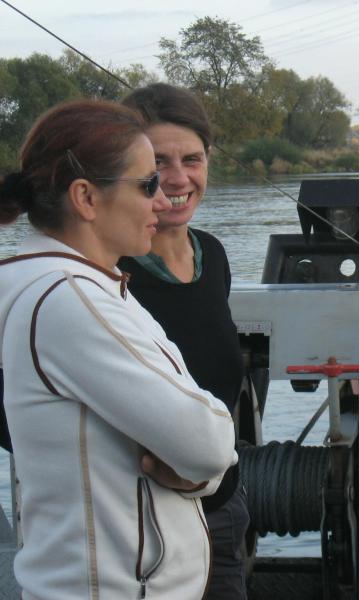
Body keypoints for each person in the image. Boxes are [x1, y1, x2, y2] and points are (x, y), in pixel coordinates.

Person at [0, 99, 237, 598]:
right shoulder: (71, 299)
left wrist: (198, 466)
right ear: (86, 198)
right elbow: (209, 443)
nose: (161, 201)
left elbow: (199, 450)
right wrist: (204, 457)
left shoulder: (88, 285)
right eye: (147, 183)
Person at [117, 83, 249, 599]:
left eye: (191, 159)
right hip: (135, 533)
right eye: (157, 163)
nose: (177, 179)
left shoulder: (211, 254)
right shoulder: (101, 271)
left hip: (221, 514)